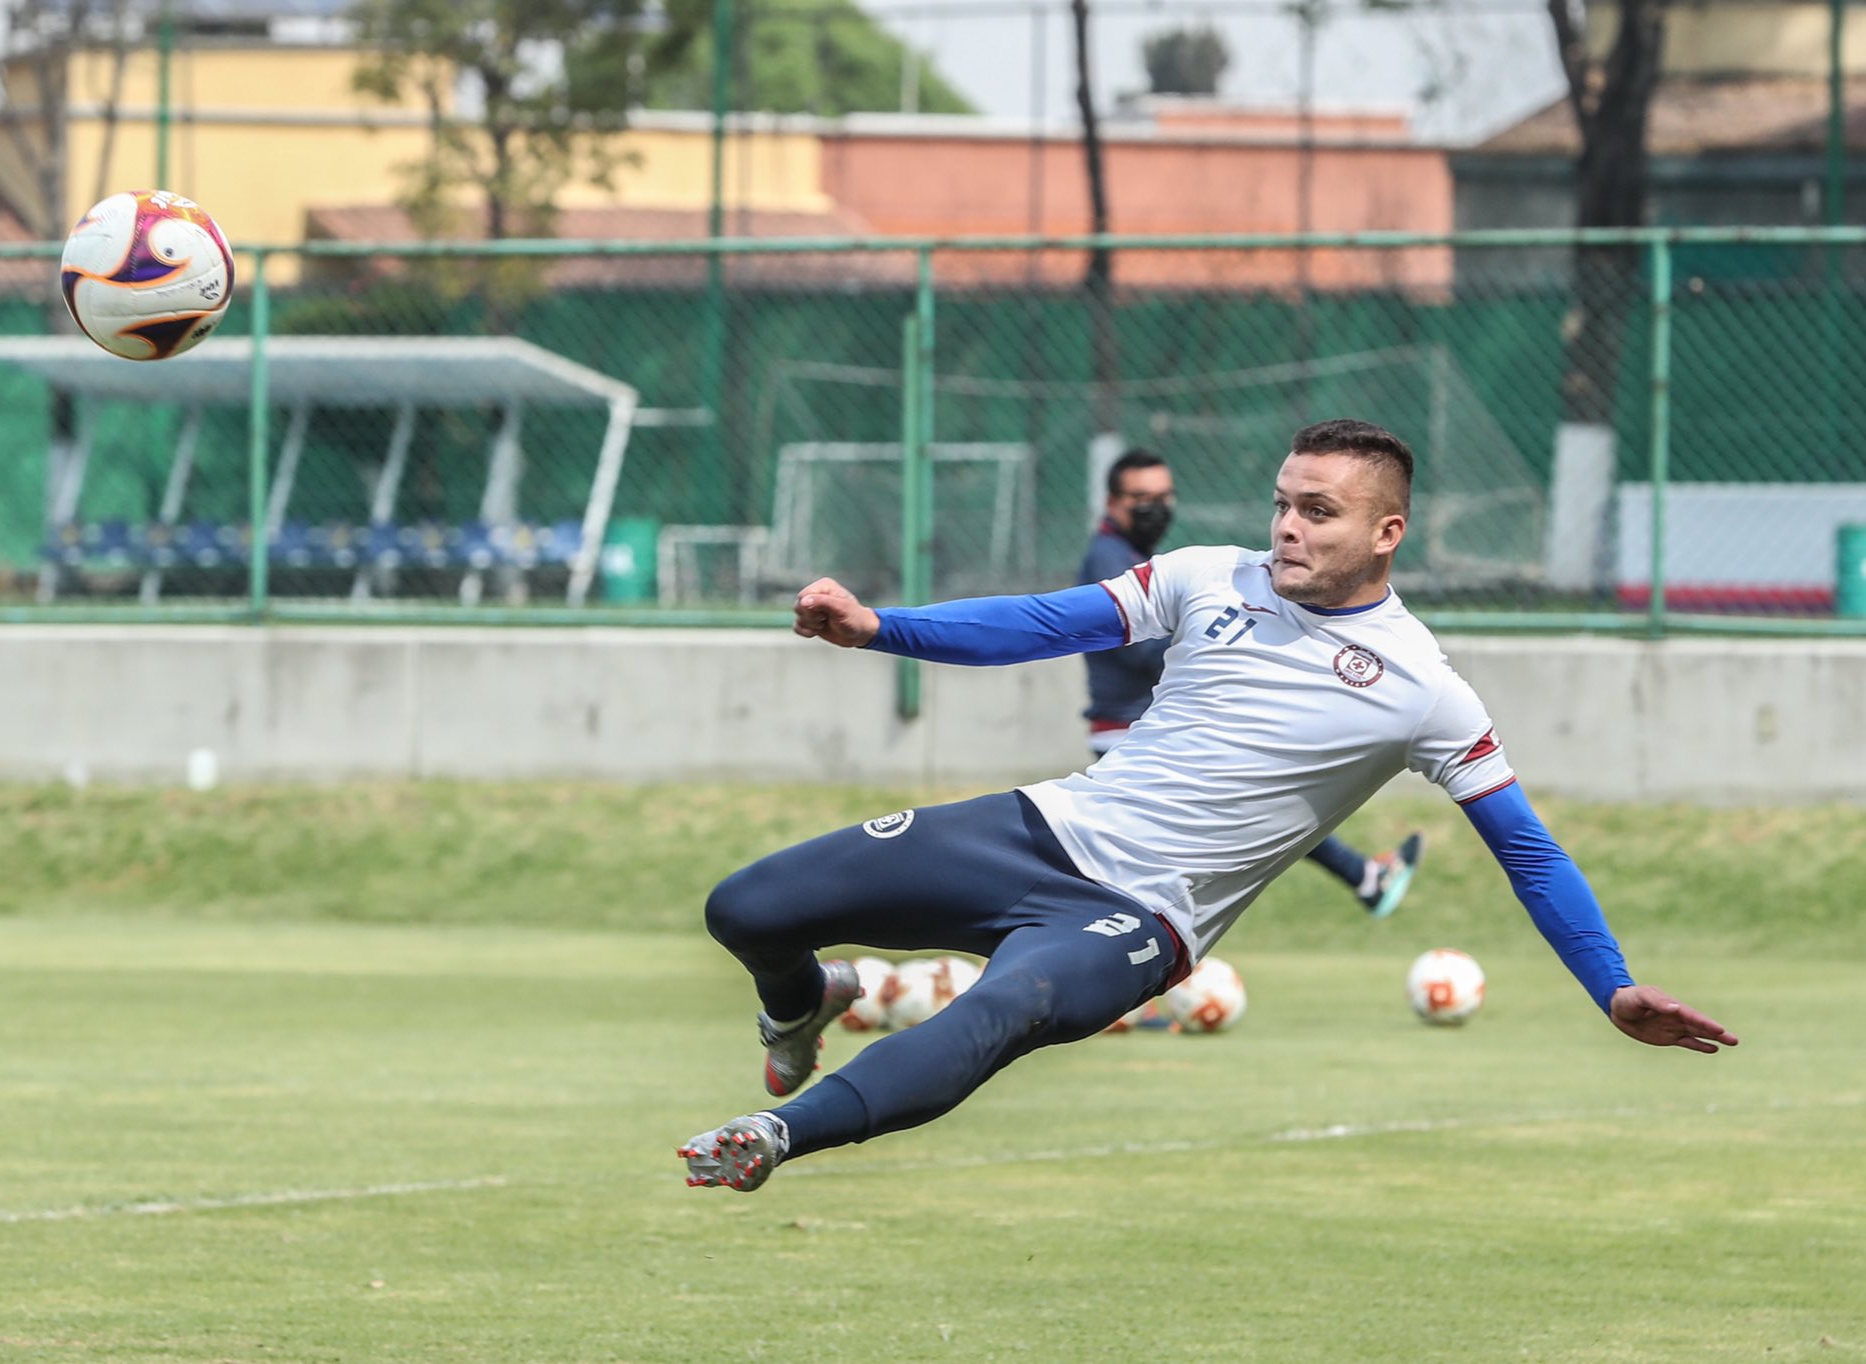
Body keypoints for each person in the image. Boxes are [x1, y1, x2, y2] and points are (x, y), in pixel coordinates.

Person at [679, 418, 1736, 1194]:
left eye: (1316, 510)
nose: (1284, 525)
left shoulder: (1422, 687)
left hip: (1138, 916)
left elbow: (1530, 854)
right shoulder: (1203, 577)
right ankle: (800, 1002)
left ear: (1385, 530)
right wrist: (877, 627)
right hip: (1039, 828)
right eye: (1280, 500)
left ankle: (775, 1134)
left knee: (997, 1010)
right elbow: (1043, 622)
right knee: (747, 905)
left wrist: (1611, 987)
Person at [1083, 447, 1423, 918]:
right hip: (1138, 731)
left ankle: (1364, 876)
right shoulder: (1108, 556)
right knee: (1141, 871)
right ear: (1112, 501)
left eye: (1164, 496)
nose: (1154, 508)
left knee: (1269, 804)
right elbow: (1140, 651)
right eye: (1141, 497)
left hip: (1162, 727)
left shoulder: (1135, 552)